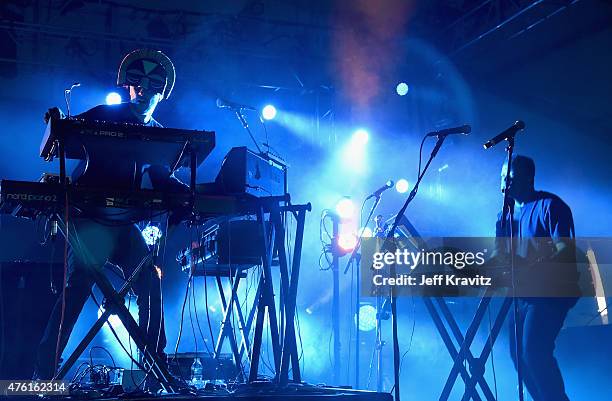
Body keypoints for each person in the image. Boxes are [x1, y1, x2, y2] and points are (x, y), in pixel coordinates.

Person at [35, 49, 184, 380]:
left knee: (148, 278)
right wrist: (55, 122)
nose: (143, 91)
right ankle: (43, 374)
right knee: (79, 286)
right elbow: (62, 135)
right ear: (129, 87)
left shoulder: (158, 132)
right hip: (89, 216)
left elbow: (163, 179)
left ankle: (154, 366)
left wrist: (196, 193)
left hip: (122, 222)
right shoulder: (104, 114)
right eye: (137, 85)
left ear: (162, 93)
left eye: (152, 86)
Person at [494, 154, 579, 401]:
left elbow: (565, 250)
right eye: (502, 178)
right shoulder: (504, 217)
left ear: (528, 177)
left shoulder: (552, 206)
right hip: (522, 294)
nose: (504, 184)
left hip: (551, 293)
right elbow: (501, 257)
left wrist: (532, 267)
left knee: (534, 351)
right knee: (518, 356)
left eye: (509, 178)